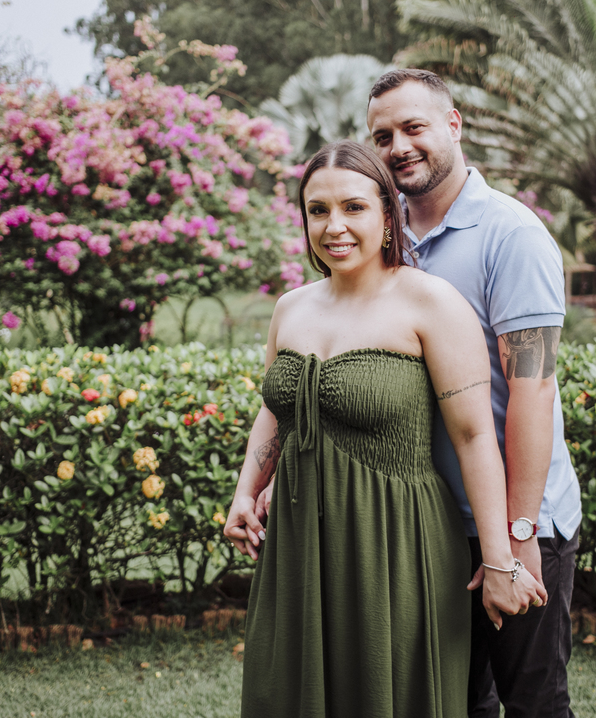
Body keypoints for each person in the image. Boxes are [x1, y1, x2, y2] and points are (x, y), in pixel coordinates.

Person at [223, 139, 544, 718]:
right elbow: (276, 409)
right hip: (298, 542)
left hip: (395, 542)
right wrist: (246, 492)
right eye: (318, 210)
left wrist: (500, 558)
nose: (334, 226)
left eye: (354, 207)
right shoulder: (290, 308)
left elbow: (474, 438)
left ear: (388, 215)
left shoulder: (430, 303)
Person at [365, 69, 583, 718]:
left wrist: (517, 536)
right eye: (382, 136)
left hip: (520, 519)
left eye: (413, 127)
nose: (399, 147)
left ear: (453, 125)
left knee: (534, 704)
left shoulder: (513, 235)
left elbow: (533, 389)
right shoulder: (381, 236)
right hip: (427, 521)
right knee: (452, 702)